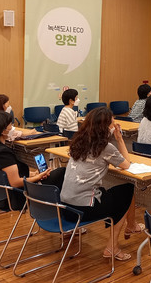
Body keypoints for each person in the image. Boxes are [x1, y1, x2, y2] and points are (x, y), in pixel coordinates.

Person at [60, 106, 143, 261]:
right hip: (83, 209)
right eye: (112, 123)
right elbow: (126, 164)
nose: (115, 125)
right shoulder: (105, 147)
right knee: (127, 190)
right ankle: (112, 247)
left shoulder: (78, 141)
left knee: (116, 192)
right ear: (104, 127)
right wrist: (119, 138)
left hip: (65, 206)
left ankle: (131, 226)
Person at [0, 111, 65, 210]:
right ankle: (60, 212)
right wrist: (38, 177)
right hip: (16, 197)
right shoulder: (3, 153)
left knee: (55, 174)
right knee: (61, 173)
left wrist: (33, 174)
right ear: (3, 131)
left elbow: (4, 175)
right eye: (10, 124)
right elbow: (15, 183)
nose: (12, 127)